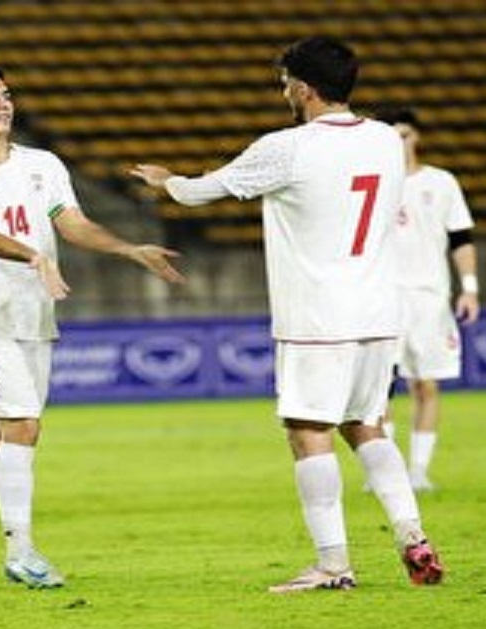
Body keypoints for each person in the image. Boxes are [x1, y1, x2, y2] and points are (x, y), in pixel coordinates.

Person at [130, 37, 444, 592]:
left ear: (302, 87)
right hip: (376, 311)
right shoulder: (384, 140)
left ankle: (332, 564)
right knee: (365, 426)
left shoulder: (288, 147)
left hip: (317, 317)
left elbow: (202, 193)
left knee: (307, 431)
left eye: (284, 82)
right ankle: (412, 536)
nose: (283, 91)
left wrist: (166, 181)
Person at [0, 64, 186, 591]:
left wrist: (129, 248)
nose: (3, 104)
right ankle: (21, 551)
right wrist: (33, 255)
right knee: (22, 427)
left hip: (33, 319)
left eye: (7, 95)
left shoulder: (43, 164)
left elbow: (73, 224)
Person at [375, 108, 479, 492]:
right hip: (382, 296)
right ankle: (386, 473)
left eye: (404, 135)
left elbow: (461, 238)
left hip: (429, 298)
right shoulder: (373, 185)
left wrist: (470, 287)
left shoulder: (441, 182)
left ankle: (418, 470)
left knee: (426, 385)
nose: (399, 143)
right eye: (391, 137)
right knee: (378, 387)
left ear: (416, 137)